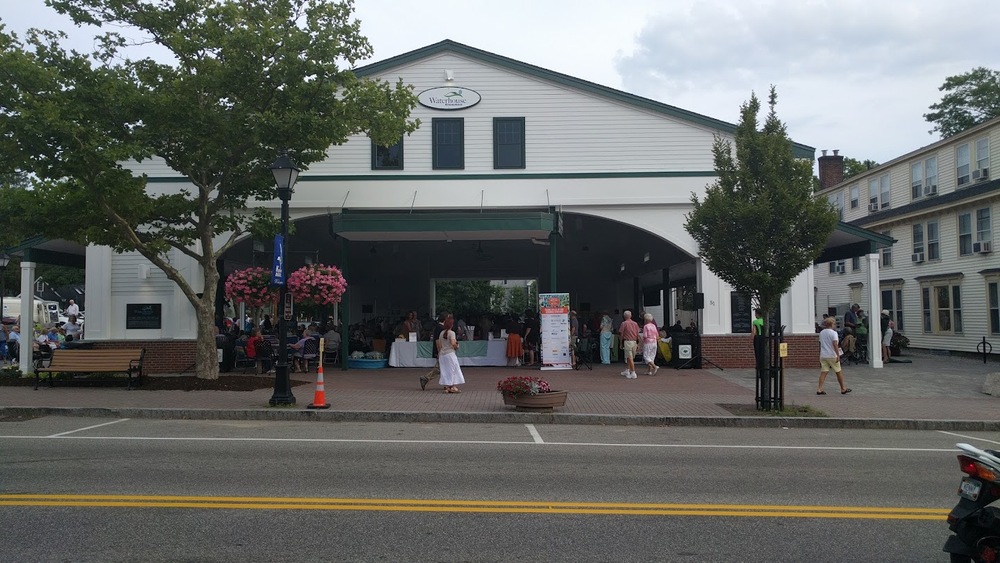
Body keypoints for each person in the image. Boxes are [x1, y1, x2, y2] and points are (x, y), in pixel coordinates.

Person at [817, 316, 851, 395]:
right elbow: (835, 344)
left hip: (823, 355)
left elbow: (820, 343)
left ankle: (819, 388)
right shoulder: (833, 333)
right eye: (834, 324)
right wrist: (838, 355)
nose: (835, 325)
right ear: (831, 324)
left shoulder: (821, 333)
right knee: (838, 371)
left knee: (823, 372)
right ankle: (843, 388)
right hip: (832, 355)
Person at [437, 314, 465, 393]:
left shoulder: (441, 333)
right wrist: (457, 346)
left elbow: (439, 344)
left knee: (445, 370)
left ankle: (446, 386)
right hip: (450, 354)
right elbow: (453, 343)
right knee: (453, 370)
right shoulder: (451, 333)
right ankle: (452, 386)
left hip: (442, 354)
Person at [419, 312, 448, 390]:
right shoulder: (440, 328)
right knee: (441, 368)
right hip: (440, 350)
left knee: (441, 368)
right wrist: (440, 352)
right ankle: (426, 378)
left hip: (440, 350)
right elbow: (438, 340)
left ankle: (446, 383)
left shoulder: (438, 327)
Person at [618, 310, 640, 379]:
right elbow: (638, 334)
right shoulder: (635, 324)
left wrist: (621, 343)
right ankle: (627, 370)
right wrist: (638, 343)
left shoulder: (624, 323)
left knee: (629, 357)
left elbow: (621, 334)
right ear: (631, 316)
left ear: (624, 316)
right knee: (630, 357)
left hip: (627, 341)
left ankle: (633, 372)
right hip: (634, 342)